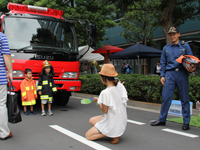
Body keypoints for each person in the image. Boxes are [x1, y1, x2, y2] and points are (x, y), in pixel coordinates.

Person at [150, 26, 195, 130]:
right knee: (166, 98)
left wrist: (191, 68)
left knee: (184, 98)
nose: (172, 36)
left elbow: (191, 59)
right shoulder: (166, 48)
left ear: (178, 34)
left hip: (182, 74)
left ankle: (186, 122)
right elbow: (163, 63)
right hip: (170, 74)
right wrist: (162, 75)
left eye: (174, 34)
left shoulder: (185, 46)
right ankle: (162, 119)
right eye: (170, 34)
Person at [85, 64, 128, 144]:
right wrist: (100, 99)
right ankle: (114, 133)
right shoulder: (120, 86)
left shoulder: (105, 93)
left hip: (113, 122)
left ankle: (112, 133)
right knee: (92, 120)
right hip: (121, 120)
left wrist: (99, 101)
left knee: (88, 136)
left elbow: (105, 111)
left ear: (103, 78)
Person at [0, 32, 13, 140]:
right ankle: (4, 132)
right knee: (1, 104)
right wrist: (10, 72)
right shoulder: (1, 36)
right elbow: (6, 55)